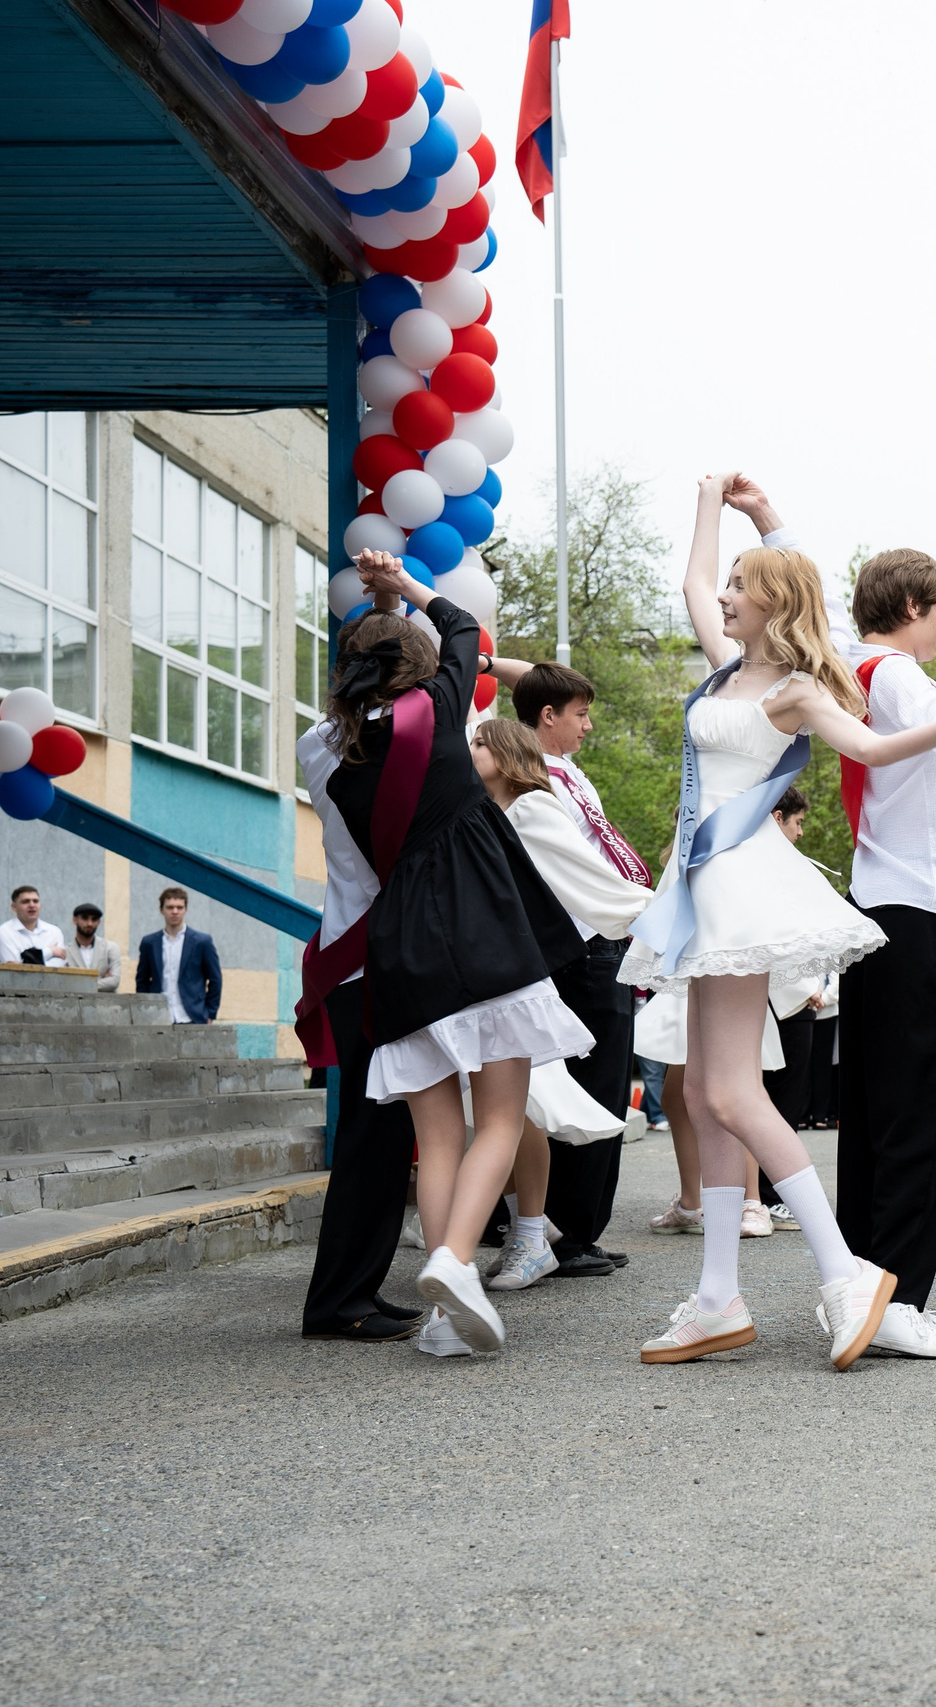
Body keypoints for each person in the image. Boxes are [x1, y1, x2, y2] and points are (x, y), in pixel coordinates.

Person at [622, 477, 936, 1366]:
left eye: (743, 585)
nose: (725, 594)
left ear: (775, 602)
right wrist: (710, 503)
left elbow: (876, 746)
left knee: (730, 1092)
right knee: (702, 1092)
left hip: (741, 885)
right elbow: (692, 583)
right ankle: (718, 1296)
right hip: (702, 884)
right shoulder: (723, 670)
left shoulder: (801, 688)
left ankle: (846, 1274)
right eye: (728, 584)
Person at [321, 552, 597, 1358]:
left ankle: (445, 1320)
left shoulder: (342, 769)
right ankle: (452, 1260)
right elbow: (463, 624)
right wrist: (404, 585)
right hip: (480, 934)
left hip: (398, 949)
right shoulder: (438, 715)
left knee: (437, 1138)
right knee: (502, 1117)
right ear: (420, 672)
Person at [476, 657, 653, 1280]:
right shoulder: (529, 786)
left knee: (600, 1085)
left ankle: (570, 1228)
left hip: (602, 938)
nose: (588, 725)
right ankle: (565, 1231)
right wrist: (649, 914)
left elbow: (541, 678)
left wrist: (489, 662)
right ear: (546, 717)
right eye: (580, 714)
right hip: (576, 946)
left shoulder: (568, 775)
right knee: (580, 1089)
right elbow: (573, 869)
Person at [294, 657, 426, 1347]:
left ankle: (359, 1287)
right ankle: (338, 1301)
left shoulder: (318, 741)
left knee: (386, 1135)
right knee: (372, 1136)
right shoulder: (384, 746)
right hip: (370, 959)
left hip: (354, 958)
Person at [135, 888, 222, 1024]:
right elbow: (142, 980)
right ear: (161, 910)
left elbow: (215, 979)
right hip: (158, 1018)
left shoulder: (202, 942)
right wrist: (145, 1011)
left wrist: (210, 1013)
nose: (175, 911)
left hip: (193, 1017)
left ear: (185, 909)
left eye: (179, 907)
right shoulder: (150, 943)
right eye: (170, 907)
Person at [0, 885, 66, 966]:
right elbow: (14, 969)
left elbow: (59, 964)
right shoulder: (4, 933)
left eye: (35, 901)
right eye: (26, 901)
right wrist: (50, 951)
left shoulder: (54, 932)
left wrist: (26, 961)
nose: (32, 905)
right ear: (14, 907)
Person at [64, 904, 121, 991]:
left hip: (105, 1000)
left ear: (99, 922)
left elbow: (114, 981)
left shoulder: (110, 948)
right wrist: (102, 981)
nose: (89, 923)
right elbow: (64, 983)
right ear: (75, 920)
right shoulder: (66, 952)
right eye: (85, 918)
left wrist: (79, 985)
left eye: (94, 919)